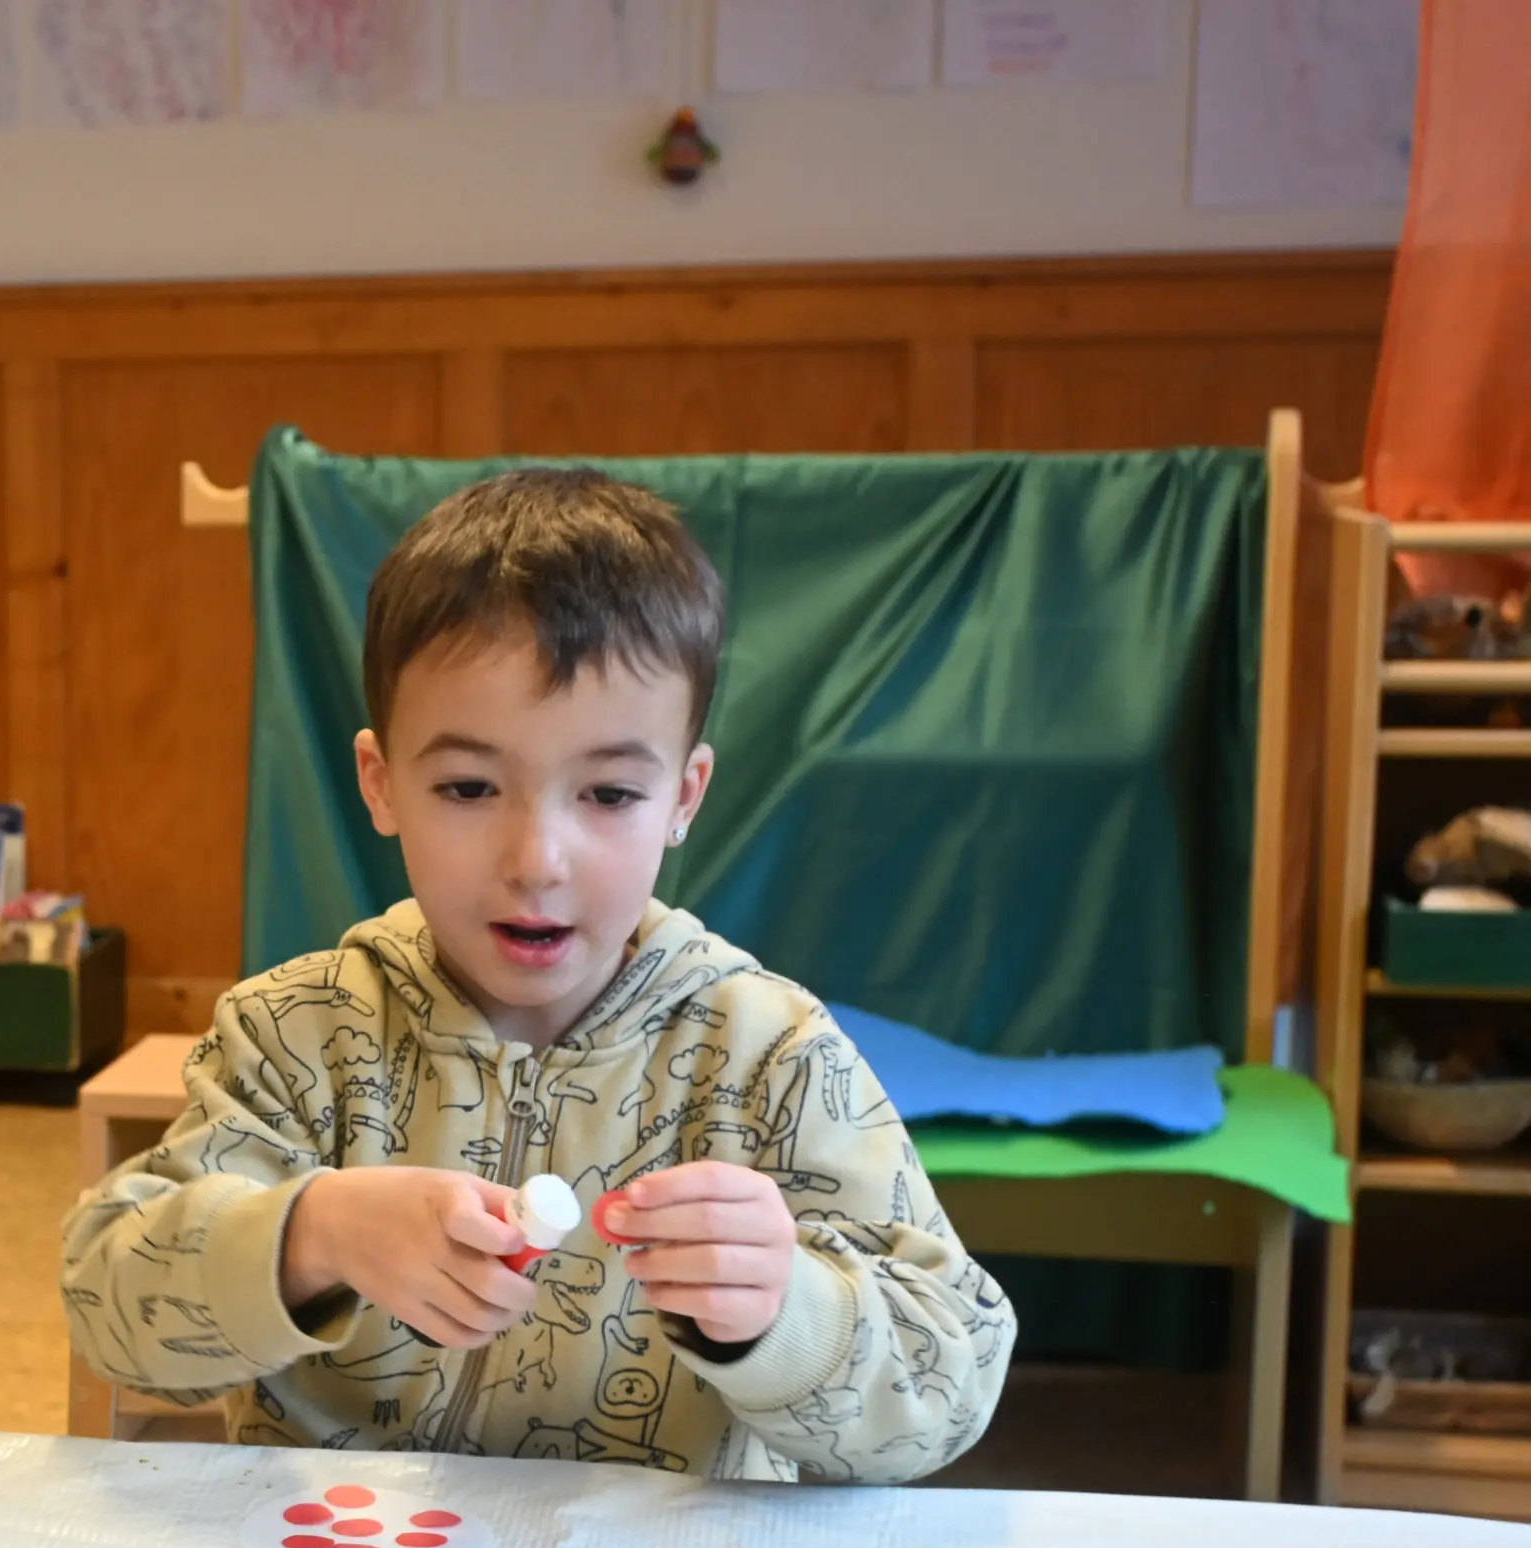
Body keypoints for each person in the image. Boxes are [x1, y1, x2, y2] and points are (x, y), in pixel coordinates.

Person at [62, 468, 1013, 1481]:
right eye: (468, 786)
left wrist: (785, 1311)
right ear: (380, 782)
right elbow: (110, 1310)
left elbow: (947, 1388)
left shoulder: (770, 1055)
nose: (536, 859)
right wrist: (313, 1232)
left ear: (684, 795)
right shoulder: (297, 1035)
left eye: (607, 792)